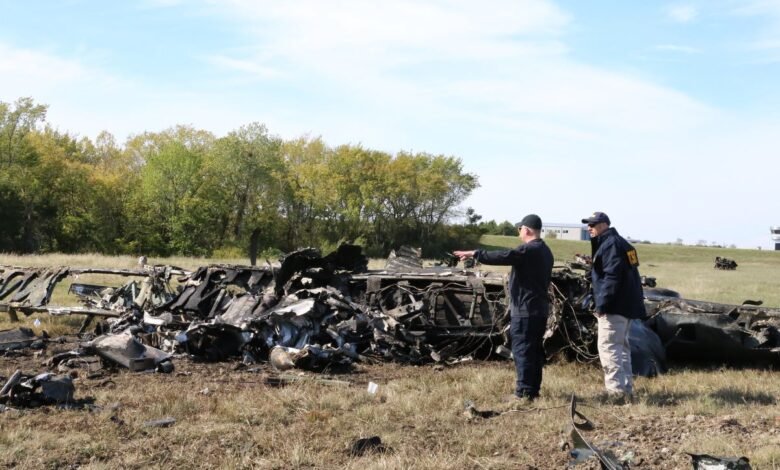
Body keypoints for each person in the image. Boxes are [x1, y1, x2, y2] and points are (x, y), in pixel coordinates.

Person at [454, 214, 554, 401]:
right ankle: (532, 390)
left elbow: (506, 255)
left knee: (523, 350)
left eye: (519, 229)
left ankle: (523, 393)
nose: (519, 233)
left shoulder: (528, 249)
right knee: (533, 351)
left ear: (526, 229)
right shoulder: (546, 251)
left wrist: (476, 253)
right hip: (539, 310)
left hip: (526, 310)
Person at [581, 211, 646, 402]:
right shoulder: (623, 243)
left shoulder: (610, 244)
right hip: (626, 306)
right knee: (621, 348)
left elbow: (612, 277)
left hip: (614, 307)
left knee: (609, 347)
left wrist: (602, 305)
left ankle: (616, 393)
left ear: (604, 225)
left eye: (592, 225)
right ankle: (626, 390)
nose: (589, 228)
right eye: (588, 225)